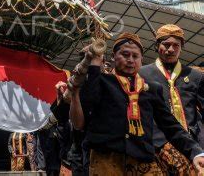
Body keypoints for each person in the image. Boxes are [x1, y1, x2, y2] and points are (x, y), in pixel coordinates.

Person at [70, 32, 204, 175]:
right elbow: (86, 110)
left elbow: (170, 126)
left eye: (135, 56)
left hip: (142, 159)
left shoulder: (151, 88)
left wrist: (196, 152)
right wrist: (95, 65)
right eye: (125, 55)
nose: (130, 60)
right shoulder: (102, 82)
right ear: (114, 57)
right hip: (106, 159)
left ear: (141, 61)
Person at [139, 24, 204, 174]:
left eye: (176, 45)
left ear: (181, 47)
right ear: (157, 45)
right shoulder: (142, 73)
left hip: (191, 144)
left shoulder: (195, 76)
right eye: (166, 44)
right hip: (156, 144)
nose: (171, 49)